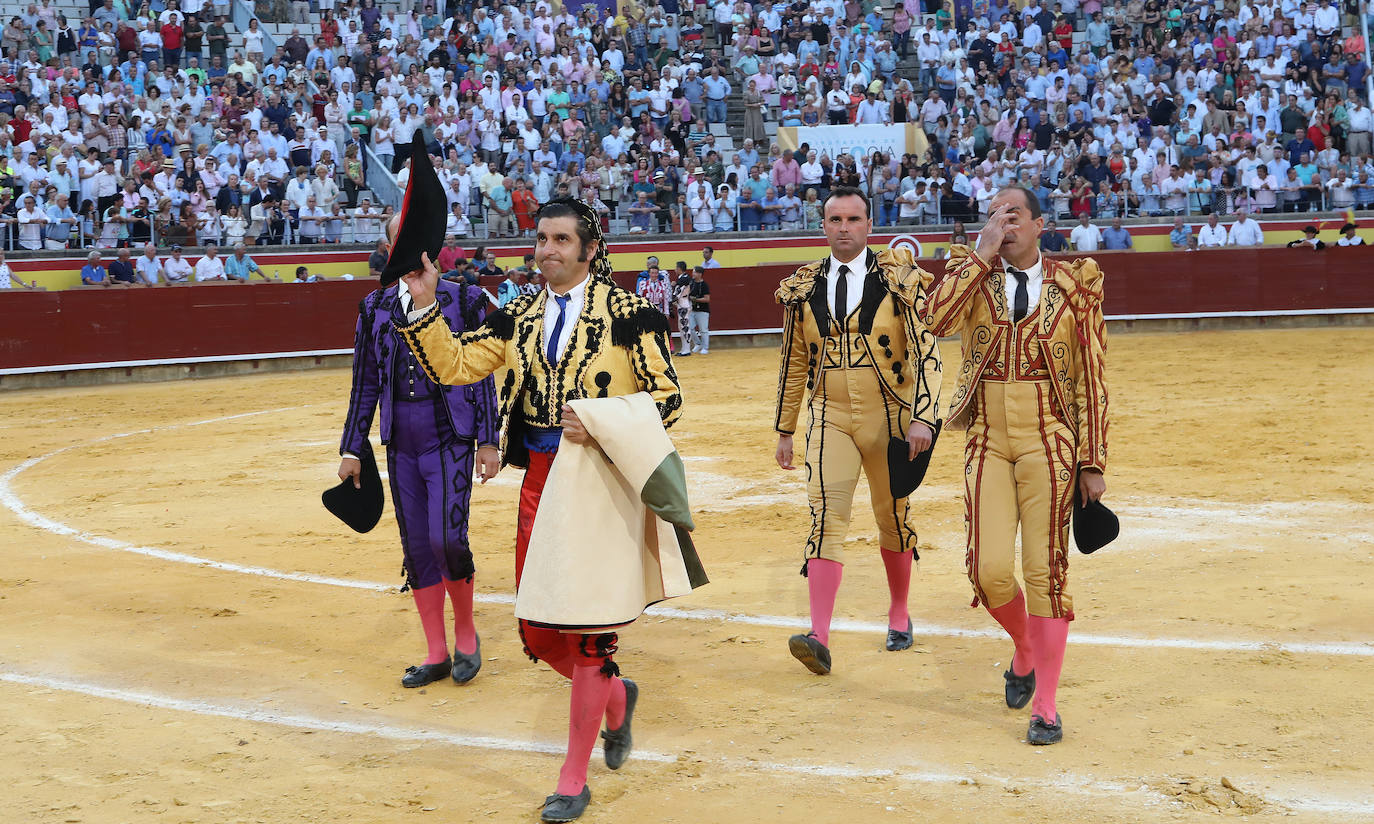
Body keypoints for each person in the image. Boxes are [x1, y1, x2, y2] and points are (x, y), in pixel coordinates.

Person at [393, 198, 684, 823]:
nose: (547, 249)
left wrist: (602, 421)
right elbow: (456, 364)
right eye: (541, 238)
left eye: (560, 239)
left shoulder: (632, 316)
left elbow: (668, 398)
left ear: (588, 248)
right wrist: (423, 302)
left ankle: (572, 777)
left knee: (587, 632)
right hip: (543, 483)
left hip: (603, 482)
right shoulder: (519, 312)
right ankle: (614, 697)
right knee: (537, 629)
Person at [922, 186, 1109, 746]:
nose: (1003, 224)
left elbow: (1091, 375)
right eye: (994, 216)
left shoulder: (1075, 285)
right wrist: (980, 253)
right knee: (987, 570)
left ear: (1038, 224)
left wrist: (1092, 460)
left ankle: (1046, 707)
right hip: (987, 438)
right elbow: (934, 321)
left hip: (1051, 439)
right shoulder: (972, 273)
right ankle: (1025, 645)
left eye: (1013, 215)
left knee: (1045, 573)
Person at [773, 186, 944, 675]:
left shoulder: (900, 278)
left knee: (892, 516)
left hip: (890, 415)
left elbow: (927, 351)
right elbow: (794, 361)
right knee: (826, 515)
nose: (843, 227)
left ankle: (898, 611)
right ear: (823, 226)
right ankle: (819, 635)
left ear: (869, 225)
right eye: (834, 219)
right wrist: (786, 427)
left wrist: (923, 416)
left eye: (853, 219)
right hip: (829, 414)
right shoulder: (802, 288)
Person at [338, 207, 501, 690]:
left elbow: (481, 372)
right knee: (416, 547)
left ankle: (466, 633)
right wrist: (351, 448)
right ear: (389, 250)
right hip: (400, 444)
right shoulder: (375, 307)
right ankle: (436, 651)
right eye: (398, 243)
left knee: (447, 539)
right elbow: (364, 383)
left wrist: (489, 439)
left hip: (449, 436)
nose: (406, 250)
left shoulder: (465, 300)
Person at [687, 265, 711, 355]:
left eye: (694, 272)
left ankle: (705, 347)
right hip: (692, 310)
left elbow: (707, 299)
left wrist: (695, 299)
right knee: (690, 328)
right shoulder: (691, 283)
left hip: (703, 310)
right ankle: (698, 343)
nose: (692, 274)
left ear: (700, 274)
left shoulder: (704, 285)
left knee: (703, 330)